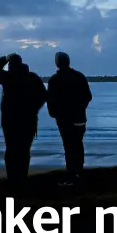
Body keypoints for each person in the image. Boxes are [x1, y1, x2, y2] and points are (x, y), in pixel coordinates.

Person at [0, 54, 47, 184]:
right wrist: (34, 108)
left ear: (10, 64)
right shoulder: (32, 77)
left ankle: (12, 178)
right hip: (28, 120)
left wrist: (3, 59)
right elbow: (44, 96)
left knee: (11, 150)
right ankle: (22, 177)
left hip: (10, 121)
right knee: (24, 150)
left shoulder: (8, 77)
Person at [46, 52, 93, 186]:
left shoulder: (55, 79)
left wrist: (54, 113)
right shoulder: (79, 76)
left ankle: (73, 175)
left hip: (65, 119)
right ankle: (77, 172)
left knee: (69, 147)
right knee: (77, 145)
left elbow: (50, 100)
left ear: (57, 63)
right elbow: (88, 96)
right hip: (79, 118)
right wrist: (81, 107)